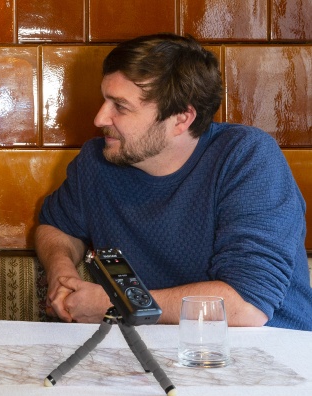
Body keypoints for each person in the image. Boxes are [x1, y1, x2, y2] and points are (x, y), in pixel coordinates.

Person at [36, 33, 312, 331]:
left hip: (271, 355)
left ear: (182, 119)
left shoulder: (246, 157)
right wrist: (63, 275)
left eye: (120, 106)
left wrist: (113, 304)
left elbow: (246, 307)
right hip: (159, 354)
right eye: (104, 100)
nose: (100, 118)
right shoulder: (97, 161)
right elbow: (56, 227)